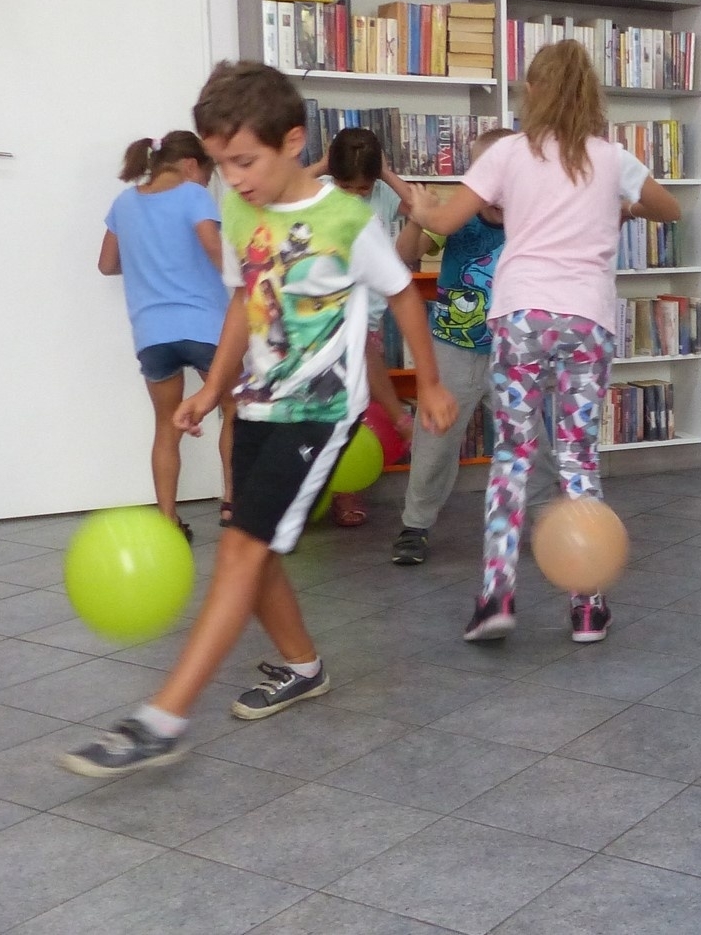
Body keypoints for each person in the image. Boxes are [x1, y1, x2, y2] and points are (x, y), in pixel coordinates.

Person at [62, 62, 457, 777]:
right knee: (255, 541)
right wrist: (214, 388)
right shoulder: (241, 211)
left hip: (322, 409)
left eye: (243, 160)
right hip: (257, 402)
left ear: (292, 141)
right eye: (219, 164)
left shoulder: (345, 217)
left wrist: (427, 381)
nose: (232, 178)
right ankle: (303, 665)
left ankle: (163, 717)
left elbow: (401, 294)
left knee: (242, 549)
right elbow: (245, 305)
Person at [404, 41, 679, 644]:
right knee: (578, 460)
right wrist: (625, 207)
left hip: (521, 316)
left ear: (535, 91)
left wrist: (424, 205)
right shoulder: (612, 158)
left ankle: (496, 599)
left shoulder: (507, 154)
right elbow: (672, 209)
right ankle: (587, 606)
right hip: (587, 319)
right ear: (591, 95)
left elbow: (445, 223)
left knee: (513, 456)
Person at [98, 131, 235, 539]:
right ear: (193, 165)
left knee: (165, 427)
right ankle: (233, 504)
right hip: (206, 328)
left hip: (152, 333)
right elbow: (214, 250)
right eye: (209, 174)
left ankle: (168, 520)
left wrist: (149, 264)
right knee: (235, 411)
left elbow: (107, 264)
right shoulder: (193, 196)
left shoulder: (124, 204)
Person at [390, 128, 516, 565]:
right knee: (435, 442)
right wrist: (417, 217)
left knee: (528, 439)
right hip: (453, 349)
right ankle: (415, 526)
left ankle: (545, 518)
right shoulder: (454, 219)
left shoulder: (532, 222)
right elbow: (405, 254)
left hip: (512, 352)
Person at [308, 127, 418, 527]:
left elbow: (419, 206)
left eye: (361, 189)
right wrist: (322, 167)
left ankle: (346, 491)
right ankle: (326, 490)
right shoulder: (319, 188)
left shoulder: (383, 194)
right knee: (327, 406)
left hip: (369, 313)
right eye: (346, 186)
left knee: (355, 408)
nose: (354, 195)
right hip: (325, 313)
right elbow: (281, 193)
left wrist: (386, 176)